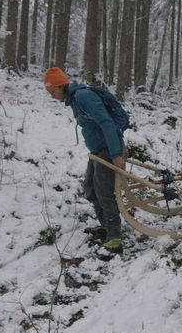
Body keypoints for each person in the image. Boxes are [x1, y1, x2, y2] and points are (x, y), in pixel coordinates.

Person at [44, 67, 125, 254]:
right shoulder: (74, 100)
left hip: (108, 150)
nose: (52, 96)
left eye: (52, 91)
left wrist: (116, 155)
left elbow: (106, 123)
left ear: (61, 86)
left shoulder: (84, 97)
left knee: (104, 193)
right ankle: (106, 227)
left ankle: (115, 238)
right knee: (90, 190)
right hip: (97, 151)